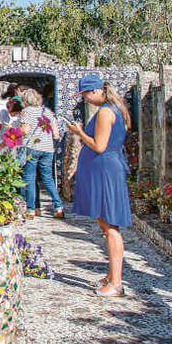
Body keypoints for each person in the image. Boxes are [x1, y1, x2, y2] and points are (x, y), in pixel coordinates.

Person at [67, 75, 132, 297]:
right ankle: (112, 276)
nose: (84, 98)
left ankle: (116, 284)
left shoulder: (105, 112)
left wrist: (79, 133)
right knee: (106, 226)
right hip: (105, 170)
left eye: (85, 94)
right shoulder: (115, 108)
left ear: (96, 91)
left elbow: (99, 145)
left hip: (105, 171)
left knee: (110, 227)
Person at [15, 88, 63, 218]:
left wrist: (13, 130)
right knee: (48, 178)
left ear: (25, 100)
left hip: (32, 147)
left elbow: (25, 130)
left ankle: (31, 210)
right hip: (47, 149)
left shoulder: (26, 112)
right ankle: (59, 207)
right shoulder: (47, 112)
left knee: (29, 178)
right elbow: (56, 133)